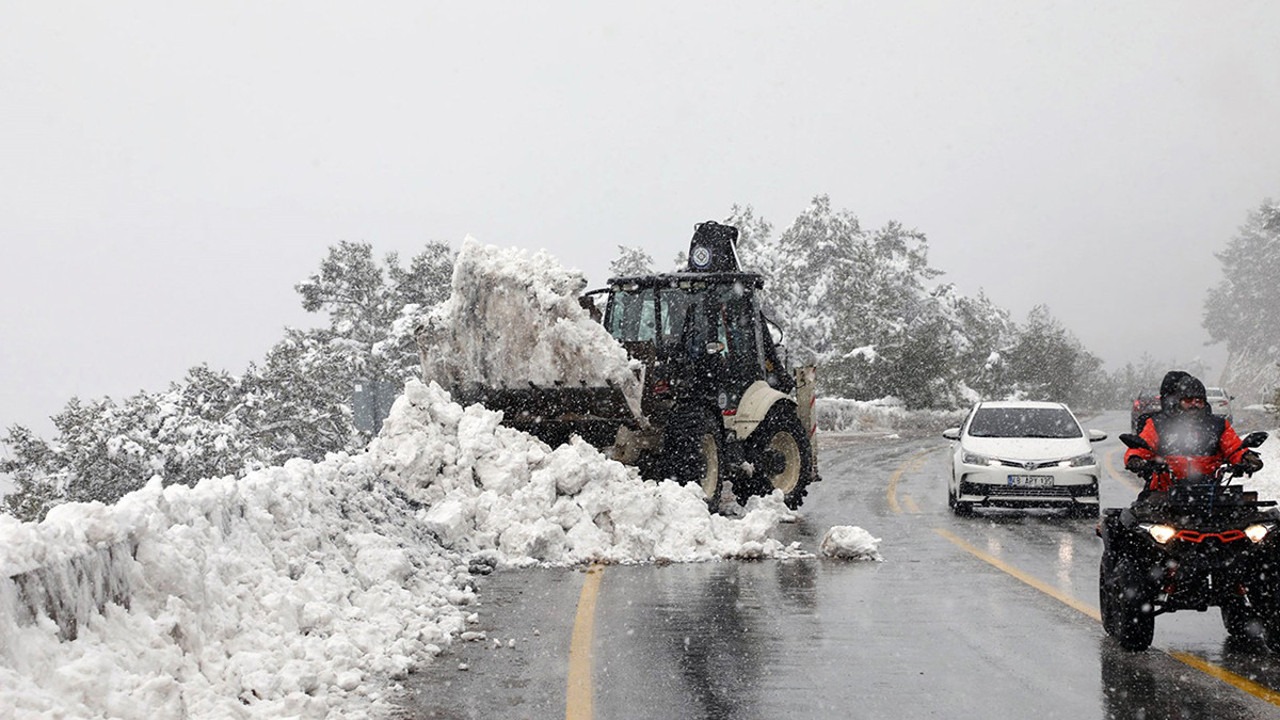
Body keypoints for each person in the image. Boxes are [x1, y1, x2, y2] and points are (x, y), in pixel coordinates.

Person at [1124, 372, 1263, 492]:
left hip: (1211, 494)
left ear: (1205, 402)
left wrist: (1246, 458)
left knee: (1253, 518)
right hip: (1164, 492)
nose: (1194, 404)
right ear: (1178, 401)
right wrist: (1135, 459)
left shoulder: (1218, 425)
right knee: (1136, 518)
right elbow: (1142, 447)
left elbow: (1234, 448)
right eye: (1188, 400)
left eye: (1199, 400)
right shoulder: (1159, 423)